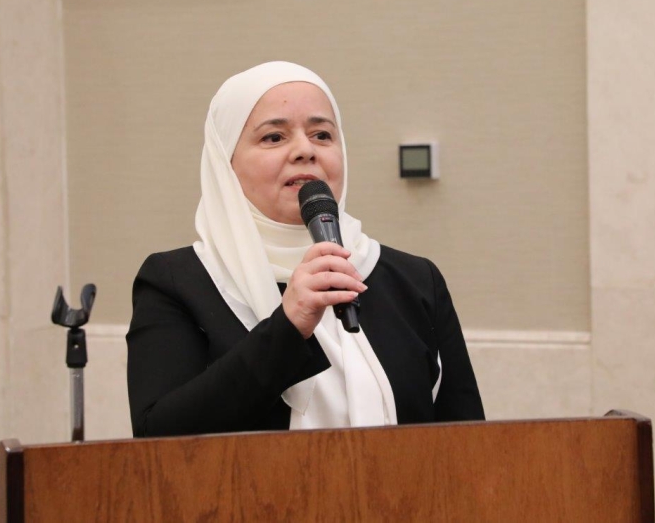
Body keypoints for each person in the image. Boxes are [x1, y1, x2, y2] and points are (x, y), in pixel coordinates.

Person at [127, 61, 484, 437]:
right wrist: (288, 326)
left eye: (322, 135)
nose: (305, 150)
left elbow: (468, 441)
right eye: (274, 137)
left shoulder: (414, 280)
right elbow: (158, 438)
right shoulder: (178, 282)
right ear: (225, 162)